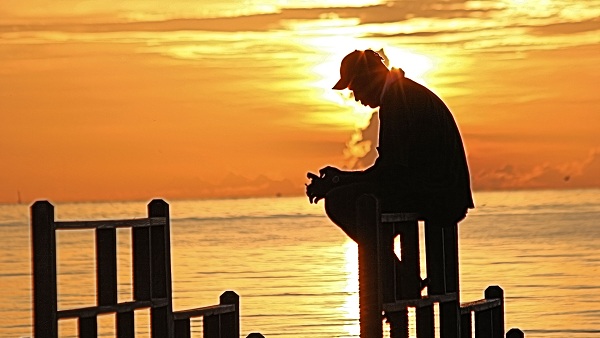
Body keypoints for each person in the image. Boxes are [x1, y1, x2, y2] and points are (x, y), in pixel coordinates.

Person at [306, 49, 474, 243]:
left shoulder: (398, 100)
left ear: (367, 78)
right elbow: (391, 170)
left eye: (354, 88)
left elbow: (391, 173)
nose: (357, 98)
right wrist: (342, 179)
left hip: (439, 197)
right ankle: (391, 266)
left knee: (339, 200)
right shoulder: (402, 94)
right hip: (439, 191)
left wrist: (339, 182)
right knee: (352, 199)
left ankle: (391, 269)